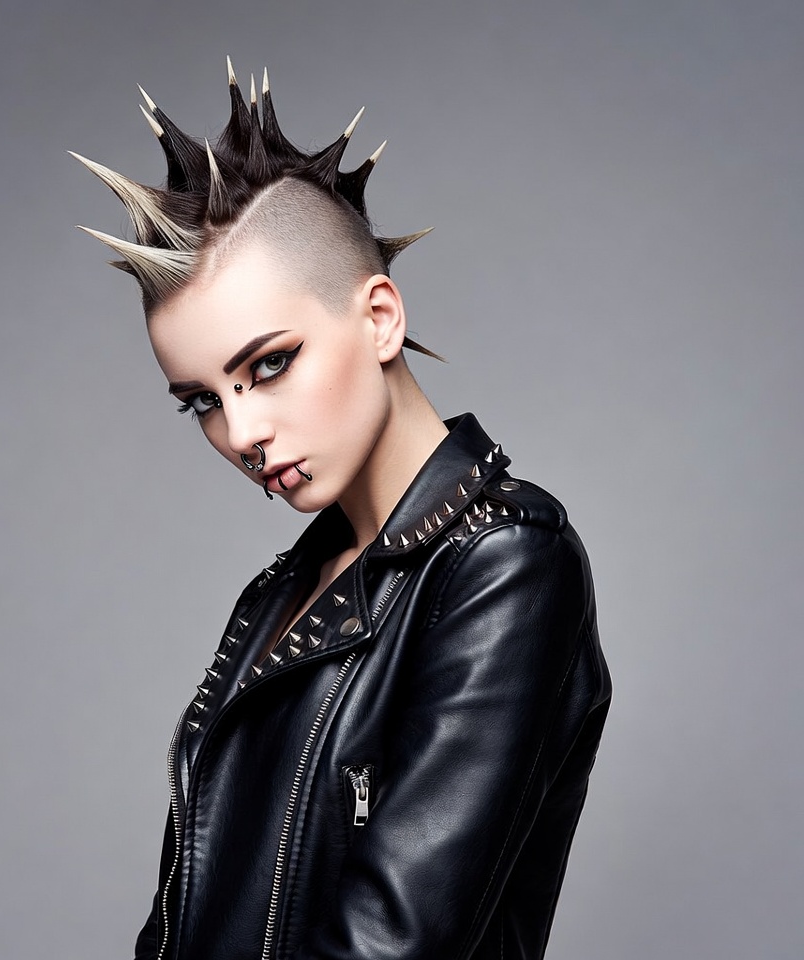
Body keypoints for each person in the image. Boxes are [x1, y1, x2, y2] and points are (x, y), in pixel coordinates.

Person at [73, 58, 611, 960]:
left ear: (380, 317)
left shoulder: (507, 564)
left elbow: (395, 943)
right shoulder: (280, 595)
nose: (242, 432)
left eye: (269, 363)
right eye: (202, 400)